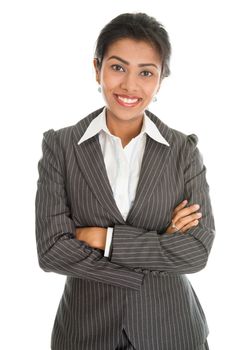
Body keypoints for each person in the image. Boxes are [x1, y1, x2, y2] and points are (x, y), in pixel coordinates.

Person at [35, 12, 215, 350]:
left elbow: (196, 251)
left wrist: (104, 240)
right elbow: (51, 251)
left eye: (146, 72)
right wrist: (160, 246)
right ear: (97, 68)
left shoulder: (183, 151)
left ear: (160, 80)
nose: (130, 86)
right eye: (118, 67)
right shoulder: (60, 147)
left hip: (172, 332)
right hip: (85, 334)